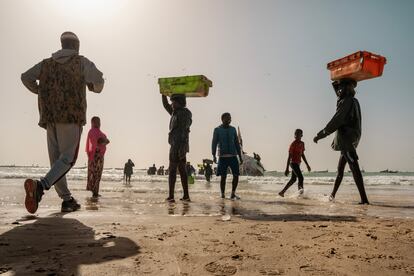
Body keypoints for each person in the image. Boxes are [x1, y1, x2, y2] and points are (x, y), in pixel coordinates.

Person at [21, 31, 104, 213]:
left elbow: (25, 76)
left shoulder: (46, 64)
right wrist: (92, 86)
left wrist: (40, 91)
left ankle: (67, 200)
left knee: (57, 160)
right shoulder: (81, 61)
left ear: (62, 44)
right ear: (76, 46)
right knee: (67, 159)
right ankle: (40, 186)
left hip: (49, 116)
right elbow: (98, 81)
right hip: (71, 116)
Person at [313, 79, 369, 204]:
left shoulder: (346, 101)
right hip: (351, 138)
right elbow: (339, 91)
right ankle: (332, 196)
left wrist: (321, 134)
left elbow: (337, 120)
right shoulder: (353, 101)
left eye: (341, 88)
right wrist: (340, 81)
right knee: (340, 170)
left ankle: (364, 200)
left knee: (354, 168)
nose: (338, 90)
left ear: (347, 88)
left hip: (346, 140)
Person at [162, 94, 192, 202]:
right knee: (178, 170)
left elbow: (184, 130)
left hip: (179, 145)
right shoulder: (175, 113)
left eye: (173, 102)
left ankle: (175, 196)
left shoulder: (184, 113)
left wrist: (182, 147)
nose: (171, 104)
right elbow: (166, 105)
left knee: (176, 170)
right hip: (175, 145)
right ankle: (182, 196)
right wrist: (163, 93)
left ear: (179, 103)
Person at [212, 113, 243, 200]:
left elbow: (237, 143)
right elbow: (214, 143)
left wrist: (240, 156)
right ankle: (222, 194)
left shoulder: (233, 129)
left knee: (236, 175)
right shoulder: (217, 130)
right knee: (223, 176)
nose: (229, 120)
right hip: (222, 157)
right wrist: (213, 155)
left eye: (230, 118)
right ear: (222, 119)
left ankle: (233, 193)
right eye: (227, 118)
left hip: (233, 156)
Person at [278, 129, 311, 197]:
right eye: (295, 134)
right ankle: (300, 194)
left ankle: (282, 192)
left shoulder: (302, 144)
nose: (296, 135)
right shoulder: (293, 144)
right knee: (301, 178)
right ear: (294, 135)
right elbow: (289, 157)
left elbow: (302, 154)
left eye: (298, 134)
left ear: (301, 135)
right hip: (292, 163)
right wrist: (287, 168)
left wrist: (307, 165)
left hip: (298, 163)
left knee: (293, 179)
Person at [86, 117, 109, 198]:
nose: (98, 123)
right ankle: (95, 192)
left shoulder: (99, 133)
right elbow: (99, 141)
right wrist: (102, 141)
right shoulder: (94, 132)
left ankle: (95, 192)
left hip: (96, 155)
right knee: (96, 173)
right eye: (96, 122)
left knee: (95, 173)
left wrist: (102, 141)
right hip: (96, 155)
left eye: (98, 122)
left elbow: (106, 141)